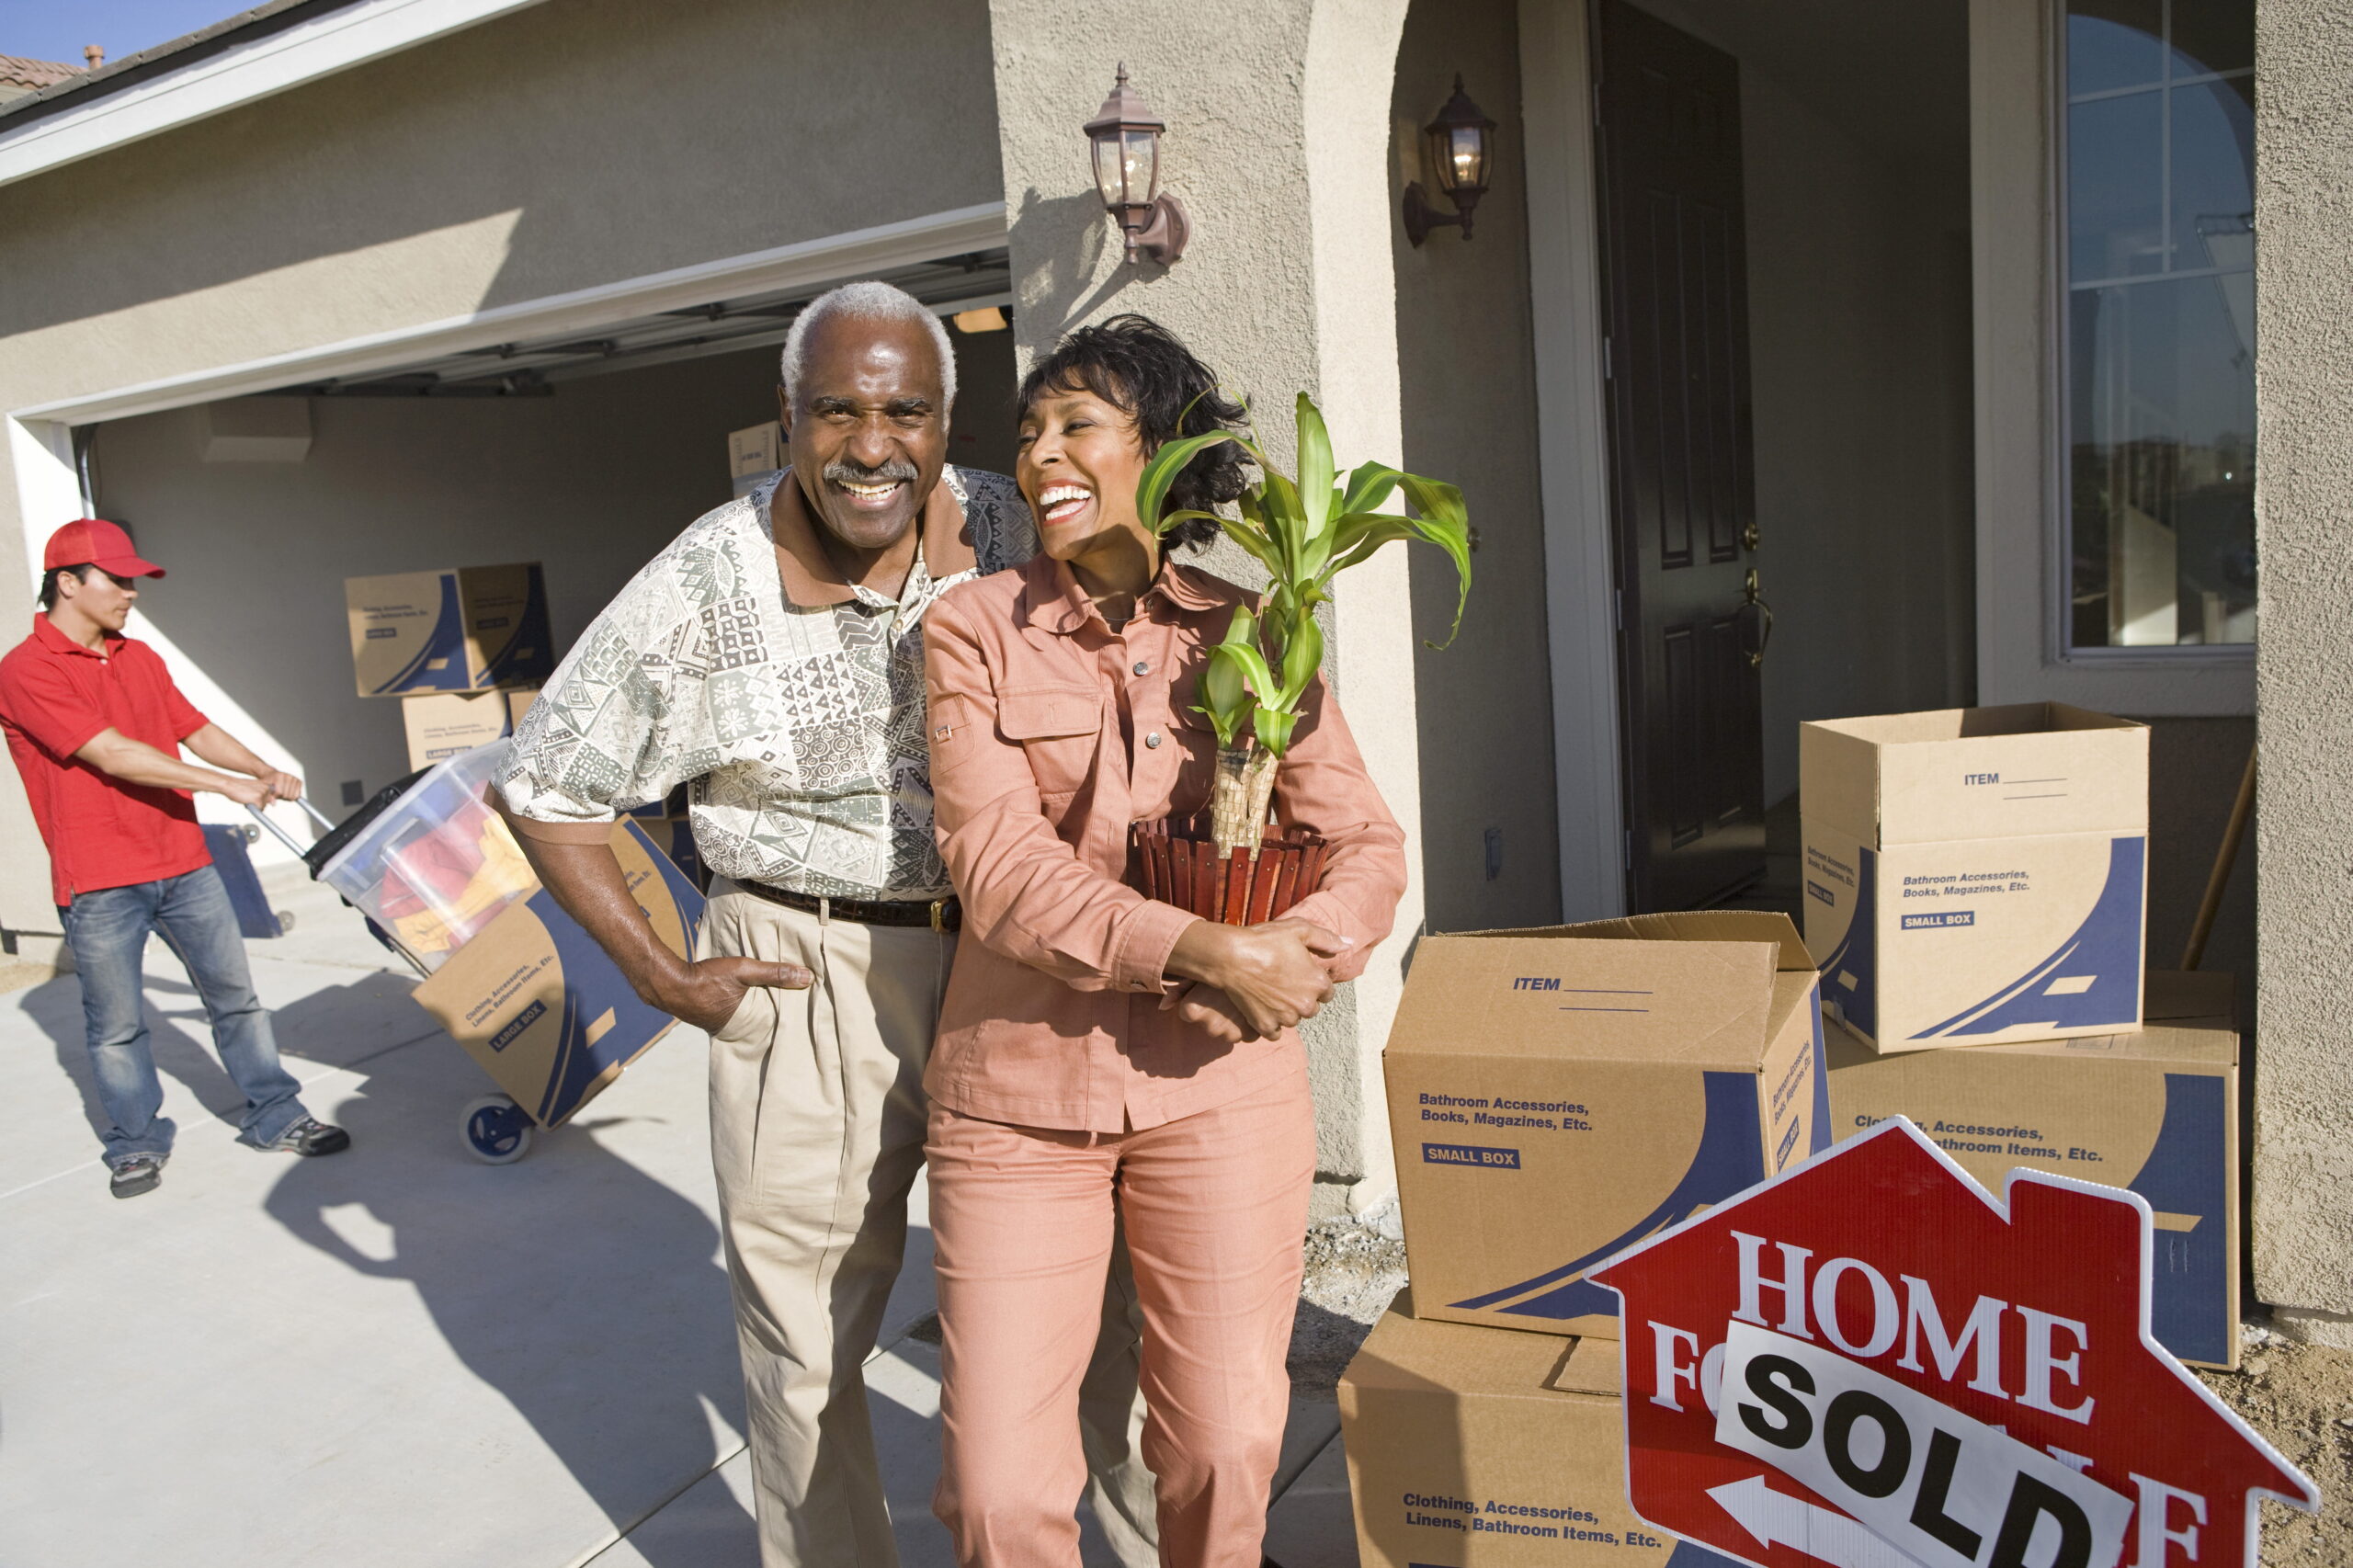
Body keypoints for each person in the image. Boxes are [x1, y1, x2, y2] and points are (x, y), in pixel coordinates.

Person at [495, 281, 1158, 1568]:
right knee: (807, 1346)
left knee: (1096, 1305)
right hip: (810, 973)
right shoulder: (704, 579)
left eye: (905, 409)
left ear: (945, 415)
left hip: (1015, 959)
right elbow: (547, 782)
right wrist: (659, 971)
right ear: (785, 417)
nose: (873, 443)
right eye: (837, 410)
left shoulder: (1015, 519)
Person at [919, 313, 1410, 1566]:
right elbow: (1001, 870)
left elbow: (1363, 842)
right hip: (1018, 1096)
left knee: (1227, 1444)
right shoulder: (972, 627)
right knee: (995, 1484)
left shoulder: (1253, 628)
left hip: (1219, 1089)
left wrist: (1302, 949)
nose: (1040, 454)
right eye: (1027, 432)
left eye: (1078, 423)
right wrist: (1203, 948)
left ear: (1164, 449)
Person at [0, 518, 350, 1199]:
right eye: (118, 579)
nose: (131, 593)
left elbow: (194, 729)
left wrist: (262, 769)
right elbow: (112, 753)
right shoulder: (24, 671)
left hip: (184, 863)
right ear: (68, 583)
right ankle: (135, 1145)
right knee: (118, 1027)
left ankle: (276, 1115)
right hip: (100, 880)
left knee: (236, 1002)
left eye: (135, 580)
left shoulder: (140, 659)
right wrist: (227, 787)